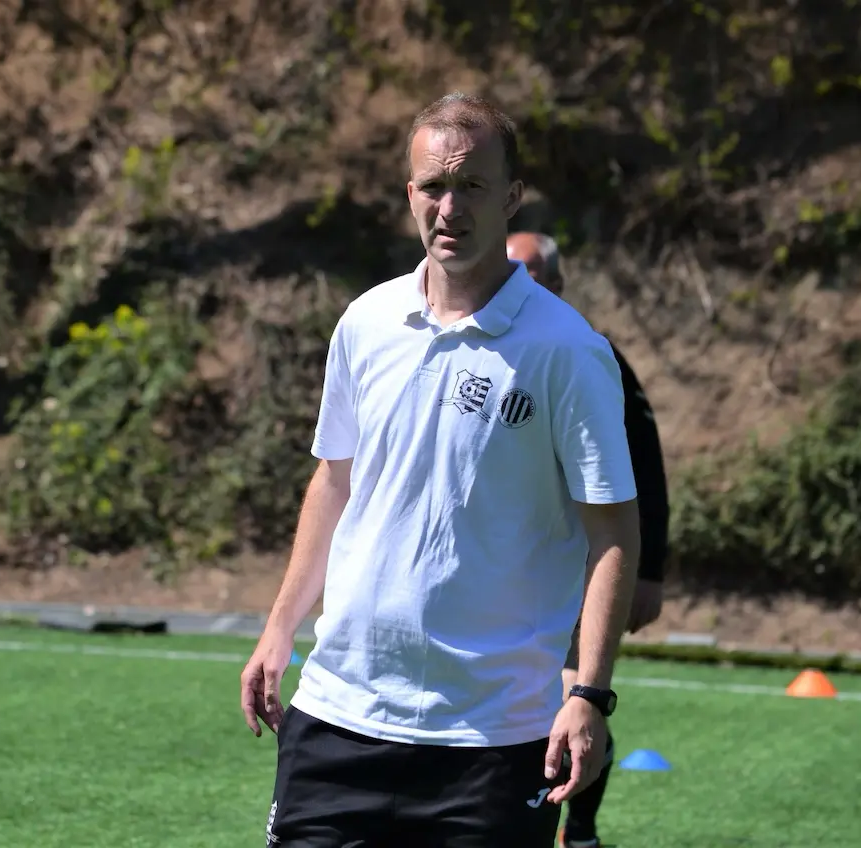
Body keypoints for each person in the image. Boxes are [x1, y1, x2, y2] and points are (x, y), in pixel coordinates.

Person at [240, 92, 641, 848]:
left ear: (512, 197)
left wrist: (588, 692)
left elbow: (614, 530)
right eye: (433, 186)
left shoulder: (567, 351)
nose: (449, 208)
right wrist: (280, 627)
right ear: (409, 194)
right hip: (338, 716)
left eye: (472, 186)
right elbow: (334, 482)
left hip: (494, 741)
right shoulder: (365, 321)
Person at [507, 231, 671, 848]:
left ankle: (578, 830)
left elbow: (645, 468)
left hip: (581, 564)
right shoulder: (480, 345)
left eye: (525, 269)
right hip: (511, 571)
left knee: (576, 695)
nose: (511, 278)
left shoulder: (588, 351)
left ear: (556, 282)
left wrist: (649, 569)